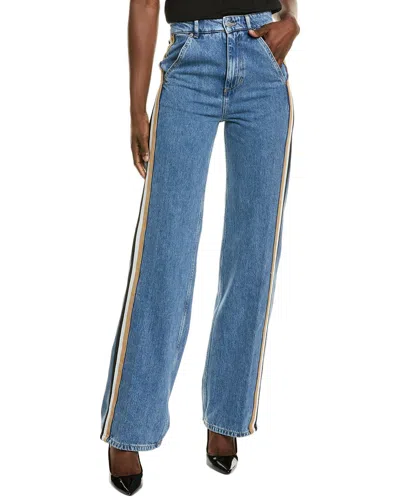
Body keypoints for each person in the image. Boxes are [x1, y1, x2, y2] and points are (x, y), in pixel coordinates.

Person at [101, 0, 300, 495]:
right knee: (164, 256)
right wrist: (136, 109)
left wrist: (291, 20)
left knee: (254, 255)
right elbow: (145, 2)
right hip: (191, 59)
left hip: (263, 61)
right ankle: (132, 423)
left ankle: (227, 415)